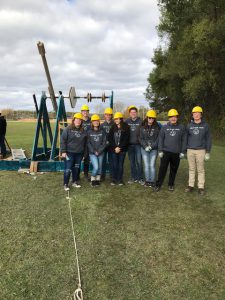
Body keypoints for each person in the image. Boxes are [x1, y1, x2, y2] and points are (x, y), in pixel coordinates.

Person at [154, 109, 186, 192]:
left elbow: (184, 140)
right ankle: (158, 184)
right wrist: (160, 150)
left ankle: (171, 184)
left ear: (177, 118)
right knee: (162, 169)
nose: (173, 118)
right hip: (165, 152)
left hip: (176, 152)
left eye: (175, 117)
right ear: (169, 118)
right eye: (171, 117)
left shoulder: (181, 127)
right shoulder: (164, 127)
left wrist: (183, 152)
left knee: (173, 169)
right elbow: (161, 139)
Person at [185, 106, 212, 196]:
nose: (196, 114)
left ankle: (201, 187)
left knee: (200, 169)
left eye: (198, 113)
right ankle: (190, 185)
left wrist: (208, 151)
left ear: (201, 114)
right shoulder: (189, 125)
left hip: (201, 150)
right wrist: (184, 150)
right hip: (190, 150)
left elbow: (208, 139)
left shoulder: (205, 125)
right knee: (191, 168)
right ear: (192, 115)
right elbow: (186, 138)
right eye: (194, 113)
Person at [60, 113, 87, 191]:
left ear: (81, 121)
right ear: (74, 120)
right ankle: (65, 184)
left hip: (79, 153)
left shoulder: (83, 131)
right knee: (68, 169)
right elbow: (63, 141)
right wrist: (63, 151)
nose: (78, 121)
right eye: (77, 120)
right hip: (69, 153)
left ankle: (74, 182)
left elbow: (85, 144)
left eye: (80, 120)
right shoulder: (68, 129)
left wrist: (85, 154)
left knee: (76, 168)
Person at [139, 110, 160, 187]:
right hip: (144, 149)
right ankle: (147, 181)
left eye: (152, 118)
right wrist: (145, 146)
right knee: (146, 165)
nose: (151, 119)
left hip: (153, 149)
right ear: (147, 118)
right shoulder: (142, 127)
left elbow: (158, 139)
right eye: (149, 118)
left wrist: (152, 146)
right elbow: (140, 138)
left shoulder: (157, 127)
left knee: (152, 165)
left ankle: (152, 181)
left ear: (154, 119)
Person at [108, 112, 130, 186]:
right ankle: (114, 179)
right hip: (114, 150)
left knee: (120, 165)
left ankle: (120, 179)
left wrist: (119, 147)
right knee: (114, 164)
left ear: (121, 119)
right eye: (115, 119)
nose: (116, 120)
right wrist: (115, 147)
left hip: (122, 150)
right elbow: (110, 138)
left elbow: (126, 139)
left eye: (117, 119)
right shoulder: (113, 127)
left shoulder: (126, 127)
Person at [125, 105, 144, 184]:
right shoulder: (127, 121)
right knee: (132, 162)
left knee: (139, 162)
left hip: (138, 145)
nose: (133, 113)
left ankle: (141, 178)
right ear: (129, 113)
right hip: (130, 145)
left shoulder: (141, 121)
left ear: (137, 113)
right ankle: (133, 177)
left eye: (134, 112)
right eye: (131, 112)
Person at [87, 114, 107, 187]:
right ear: (92, 122)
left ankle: (97, 179)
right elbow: (88, 143)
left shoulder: (102, 131)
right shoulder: (89, 132)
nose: (96, 122)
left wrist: (99, 151)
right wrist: (94, 151)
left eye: (97, 121)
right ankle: (92, 179)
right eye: (94, 121)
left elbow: (104, 142)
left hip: (100, 152)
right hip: (92, 153)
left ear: (99, 122)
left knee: (100, 167)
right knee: (96, 167)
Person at [100, 107, 114, 181]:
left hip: (112, 145)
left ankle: (112, 176)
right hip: (104, 146)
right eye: (107, 115)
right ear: (105, 115)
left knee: (112, 161)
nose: (108, 116)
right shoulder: (102, 125)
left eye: (109, 115)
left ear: (111, 115)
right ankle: (102, 176)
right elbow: (101, 135)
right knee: (103, 161)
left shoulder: (114, 124)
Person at [81, 104, 91, 179]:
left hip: (89, 142)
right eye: (83, 111)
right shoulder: (79, 120)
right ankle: (76, 174)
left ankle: (86, 174)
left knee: (87, 159)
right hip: (80, 142)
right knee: (79, 158)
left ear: (88, 112)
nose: (85, 112)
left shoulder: (91, 120)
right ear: (81, 112)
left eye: (86, 111)